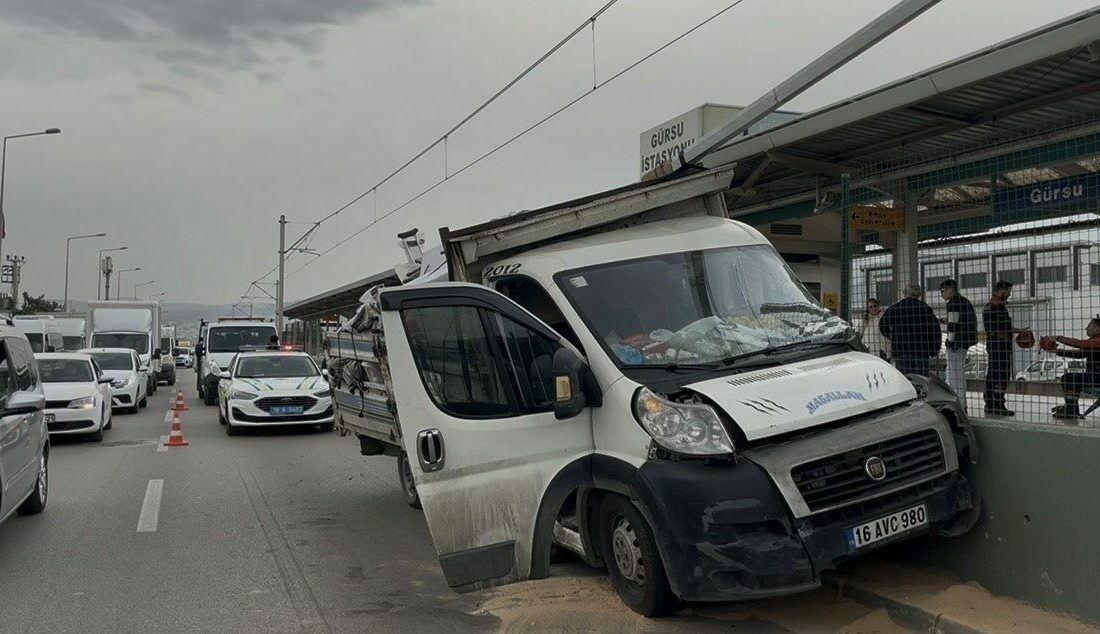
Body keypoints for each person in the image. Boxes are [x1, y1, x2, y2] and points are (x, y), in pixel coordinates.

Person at [982, 280, 1028, 416]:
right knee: (1002, 375)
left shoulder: (988, 306)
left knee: (992, 374)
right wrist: (1018, 332)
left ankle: (990, 404)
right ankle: (999, 404)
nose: (1009, 294)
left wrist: (1017, 330)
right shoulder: (999, 307)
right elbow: (1003, 328)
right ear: (1001, 291)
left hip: (992, 345)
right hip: (1001, 346)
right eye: (1008, 291)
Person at [879, 283, 941, 376]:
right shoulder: (925, 308)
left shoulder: (895, 308)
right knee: (921, 380)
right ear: (919, 294)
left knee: (905, 379)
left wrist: (893, 337)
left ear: (904, 293)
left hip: (901, 350)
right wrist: (934, 349)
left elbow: (883, 325)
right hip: (921, 351)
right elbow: (935, 330)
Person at [1047, 317, 1100, 420]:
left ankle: (1071, 411)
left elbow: (1081, 344)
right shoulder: (1094, 342)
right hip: (1094, 376)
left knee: (1071, 378)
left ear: (1097, 328)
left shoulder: (1097, 341)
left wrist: (1058, 338)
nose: (1086, 328)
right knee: (1068, 377)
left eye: (1089, 326)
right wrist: (1056, 351)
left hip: (1096, 377)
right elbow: (1080, 354)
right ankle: (1071, 409)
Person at [938, 280, 978, 408]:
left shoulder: (953, 303)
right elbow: (961, 321)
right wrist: (948, 321)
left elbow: (954, 327)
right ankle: (961, 402)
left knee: (953, 374)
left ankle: (956, 403)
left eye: (943, 291)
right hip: (965, 341)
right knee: (958, 372)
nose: (941, 294)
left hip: (957, 343)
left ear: (950, 289)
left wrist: (949, 342)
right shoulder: (964, 301)